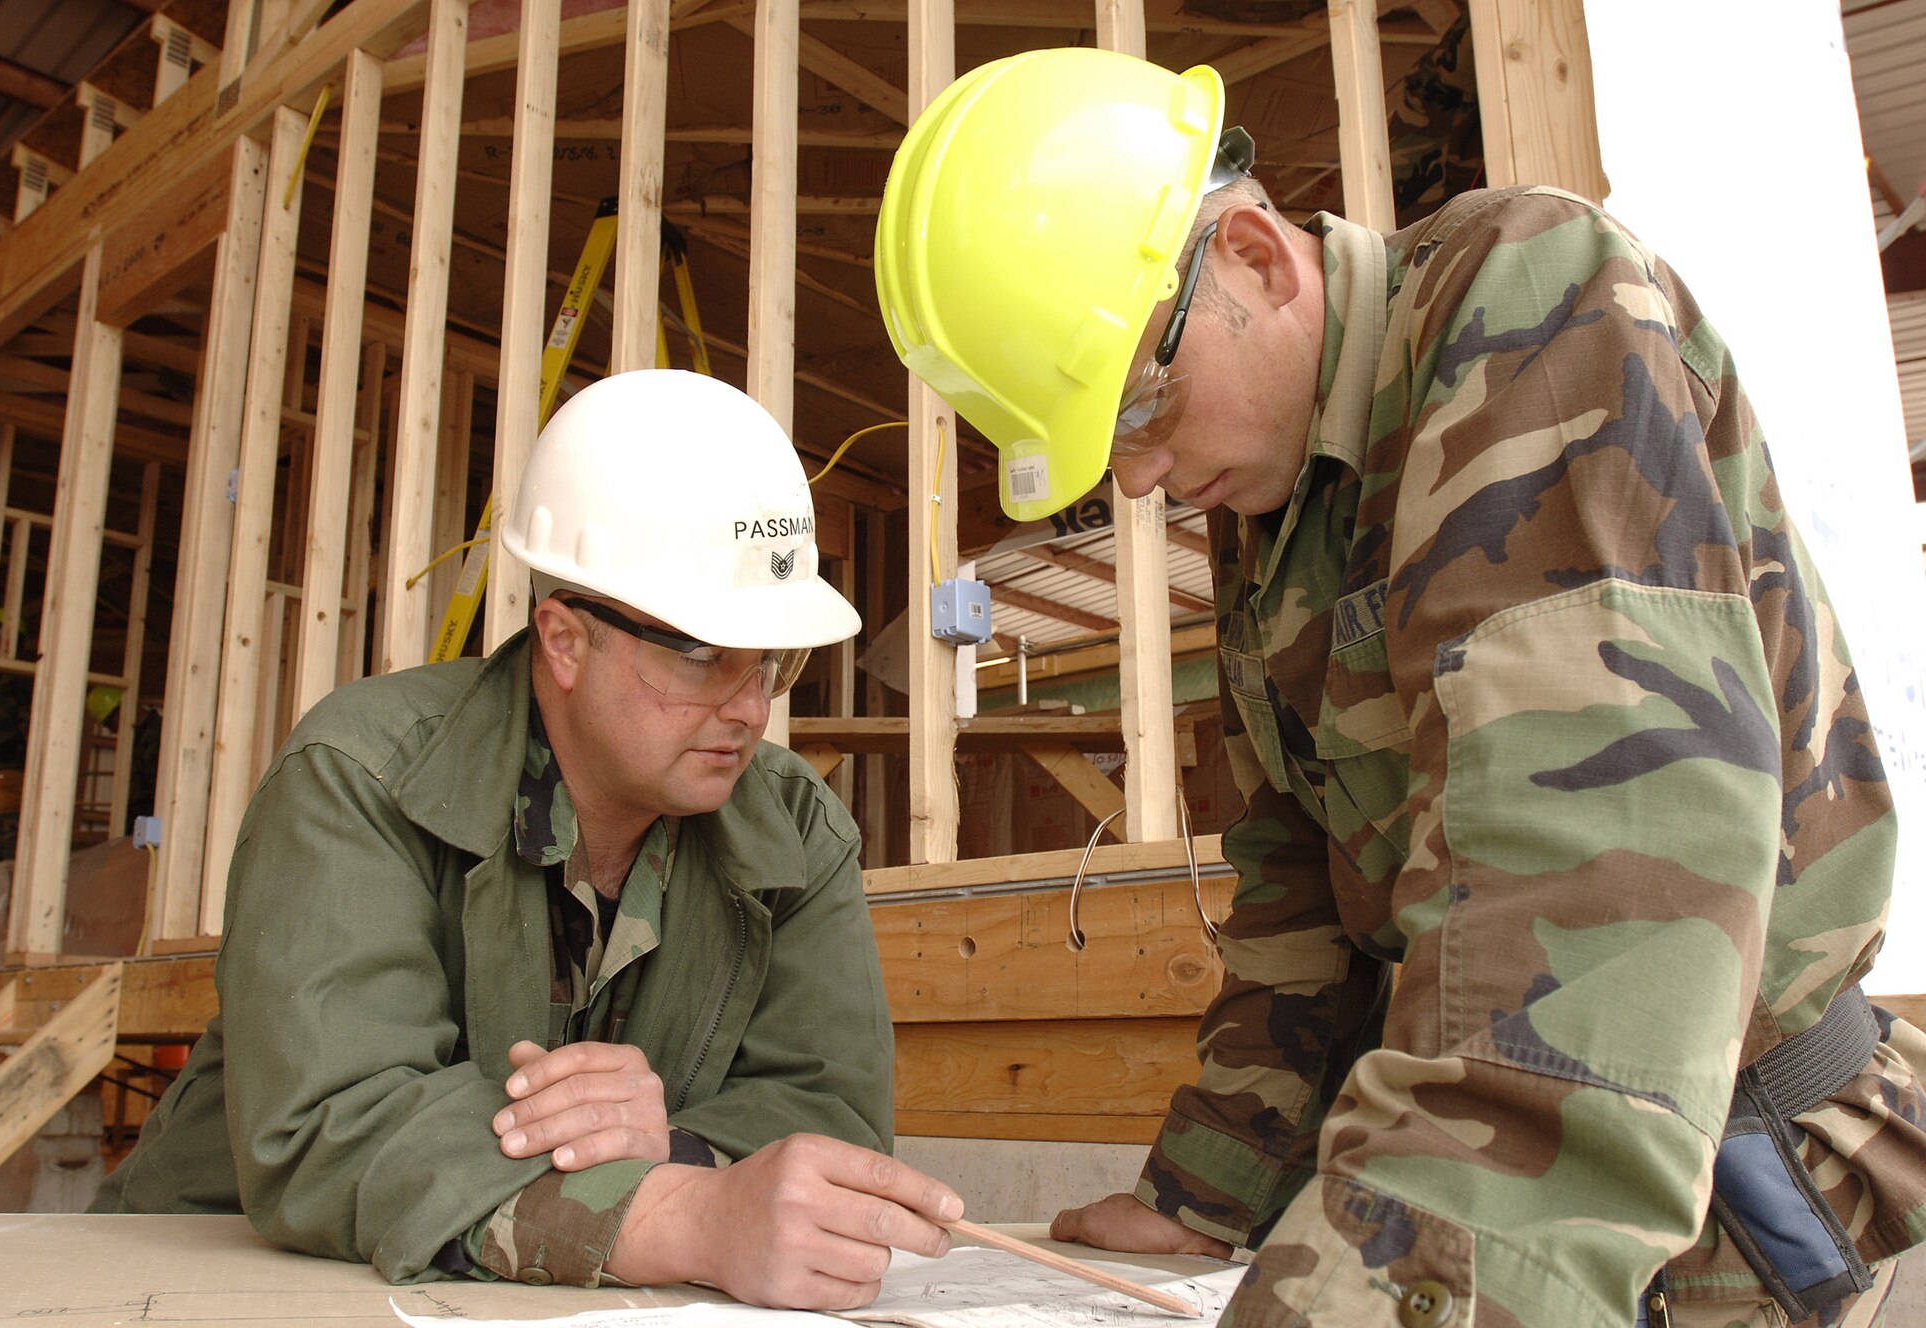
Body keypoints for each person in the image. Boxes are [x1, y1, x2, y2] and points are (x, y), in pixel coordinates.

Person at [874, 46, 1926, 1328]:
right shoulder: (1272, 492)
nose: (1139, 483)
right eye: (1106, 456)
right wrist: (1210, 1192)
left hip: (1714, 1221)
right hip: (1522, 1205)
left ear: (1254, 259)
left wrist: (1386, 1292)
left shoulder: (1528, 296)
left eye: (1141, 407)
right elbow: (1293, 890)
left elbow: (1597, 879)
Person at [94, 369, 960, 1310]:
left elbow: (829, 1120)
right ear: (564, 640)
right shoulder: (360, 778)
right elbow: (329, 1125)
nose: (751, 709)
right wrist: (678, 1215)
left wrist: (666, 1146)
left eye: (773, 661)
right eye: (706, 654)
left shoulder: (795, 830)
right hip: (206, 1282)